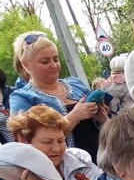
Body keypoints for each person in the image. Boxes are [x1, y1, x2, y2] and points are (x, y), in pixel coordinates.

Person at [9, 32, 108, 160]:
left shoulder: (75, 83)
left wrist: (102, 117)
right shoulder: (22, 97)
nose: (54, 65)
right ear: (26, 64)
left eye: (56, 59)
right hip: (65, 167)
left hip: (104, 158)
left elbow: (104, 124)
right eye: (45, 62)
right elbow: (29, 143)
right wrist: (74, 116)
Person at [8, 105, 102, 180]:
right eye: (47, 142)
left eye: (61, 141)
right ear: (23, 141)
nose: (57, 149)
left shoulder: (79, 158)